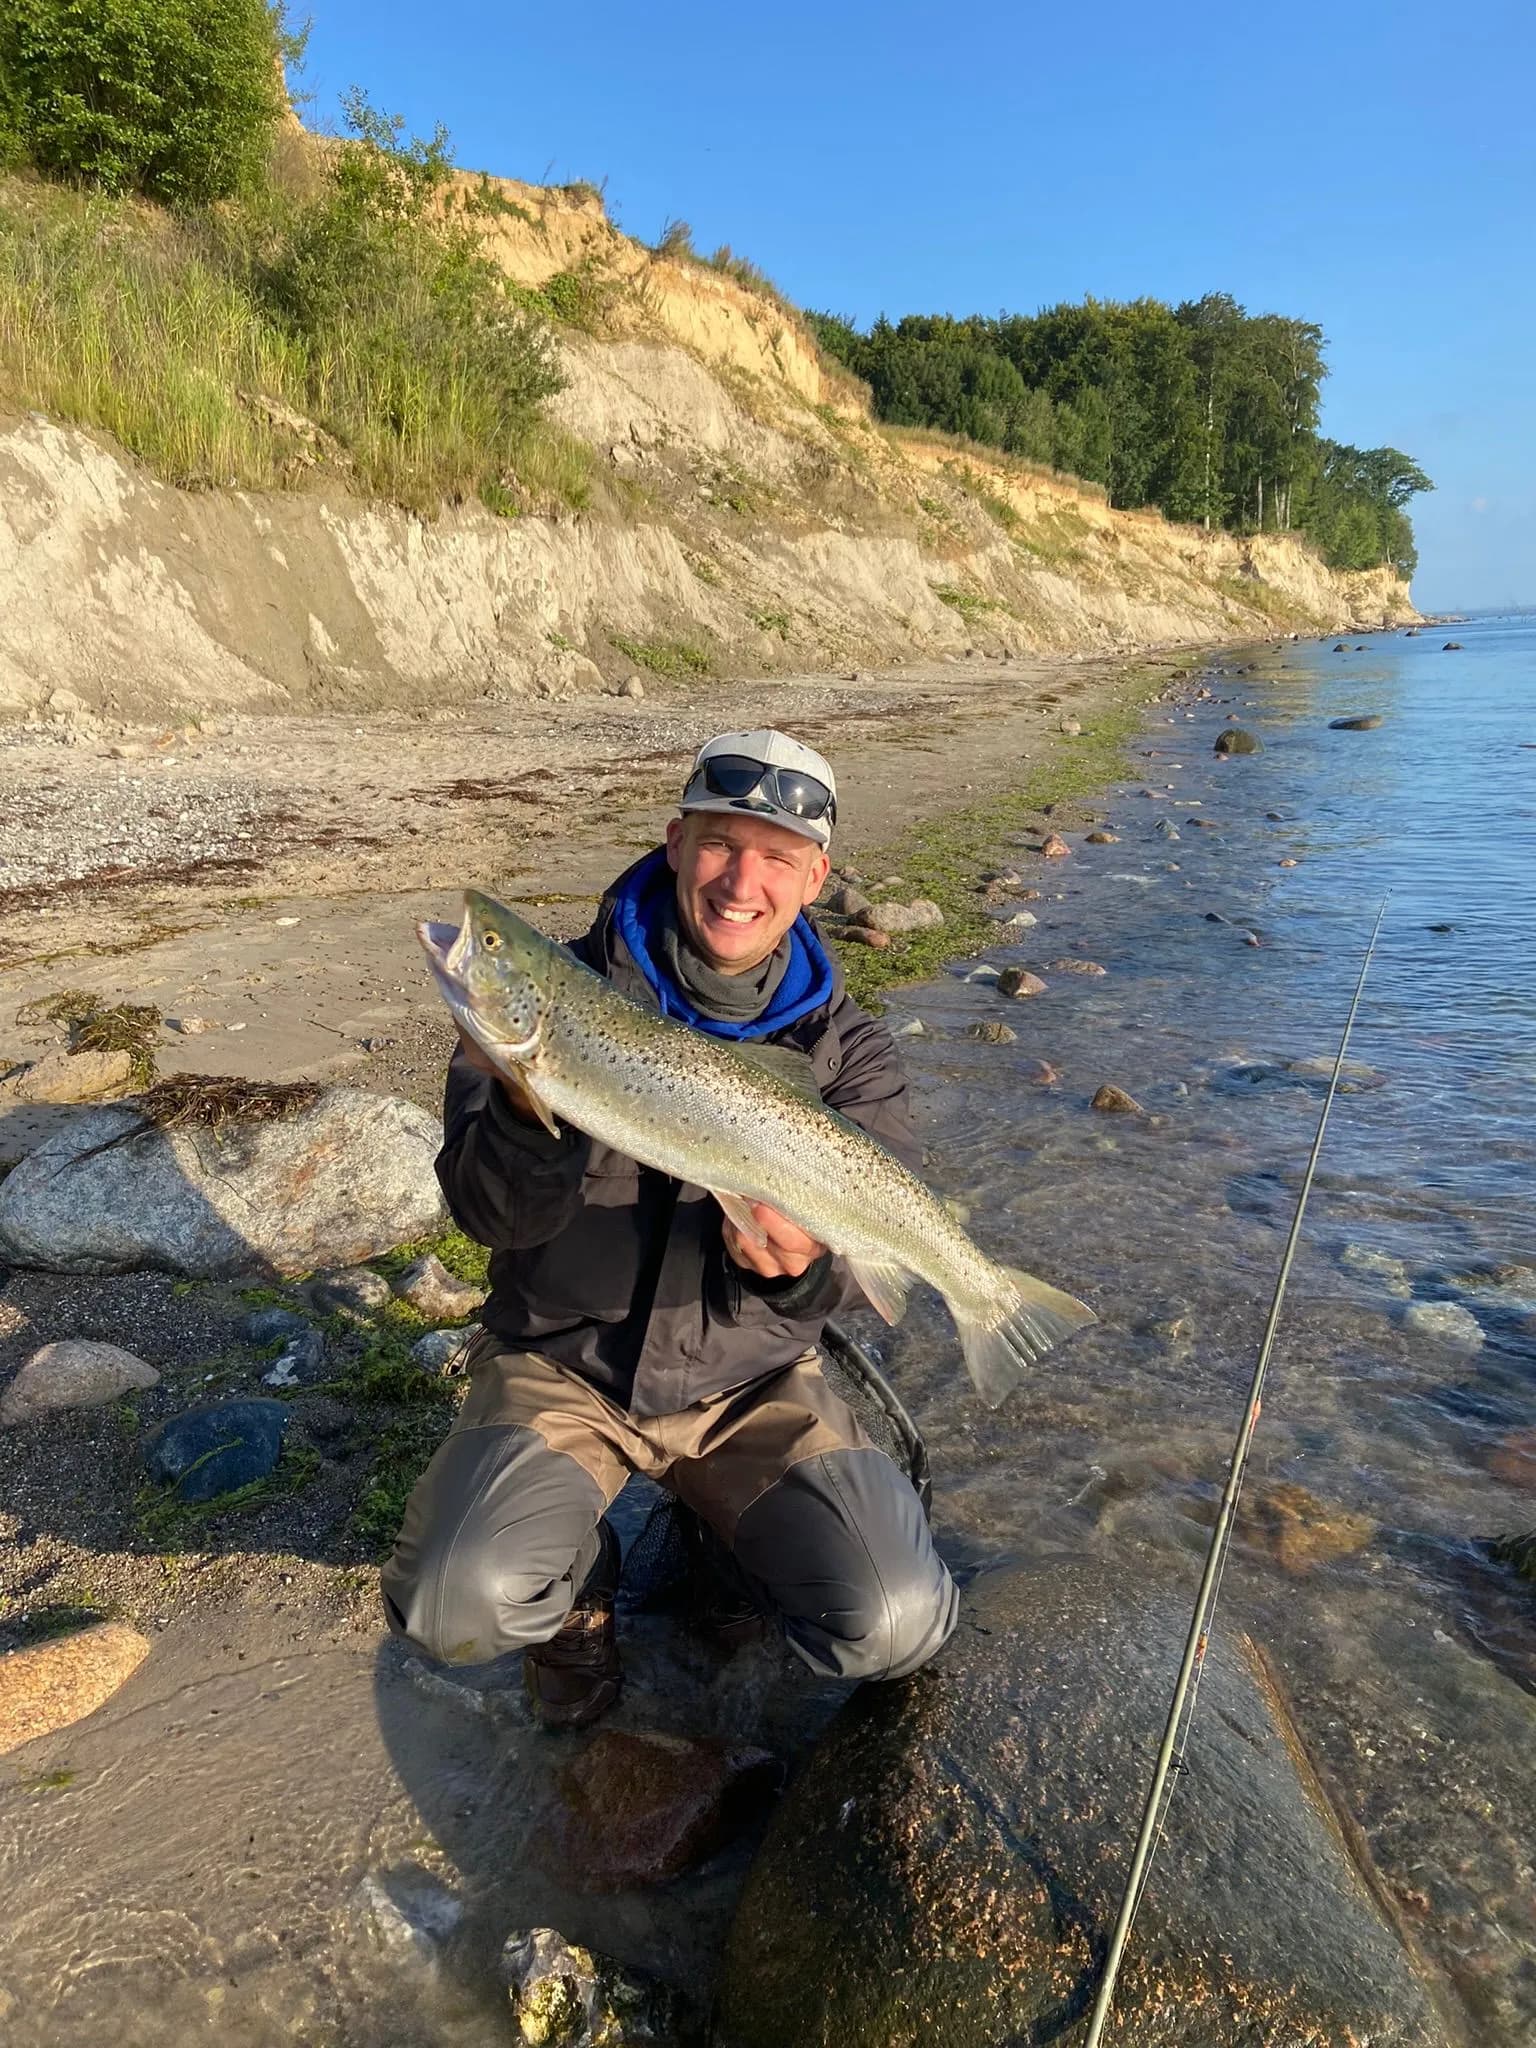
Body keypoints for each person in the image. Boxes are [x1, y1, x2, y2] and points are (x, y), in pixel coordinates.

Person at [382, 729, 957, 1727]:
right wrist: (527, 1108)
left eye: (777, 856)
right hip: (564, 1368)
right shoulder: (555, 991)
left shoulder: (850, 1053)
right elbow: (484, 1215)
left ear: (815, 877)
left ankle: (729, 1532)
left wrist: (795, 1274)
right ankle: (580, 1581)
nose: (744, 879)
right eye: (722, 844)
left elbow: (857, 1271)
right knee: (451, 1603)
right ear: (676, 841)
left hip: (754, 1384)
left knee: (896, 1620)